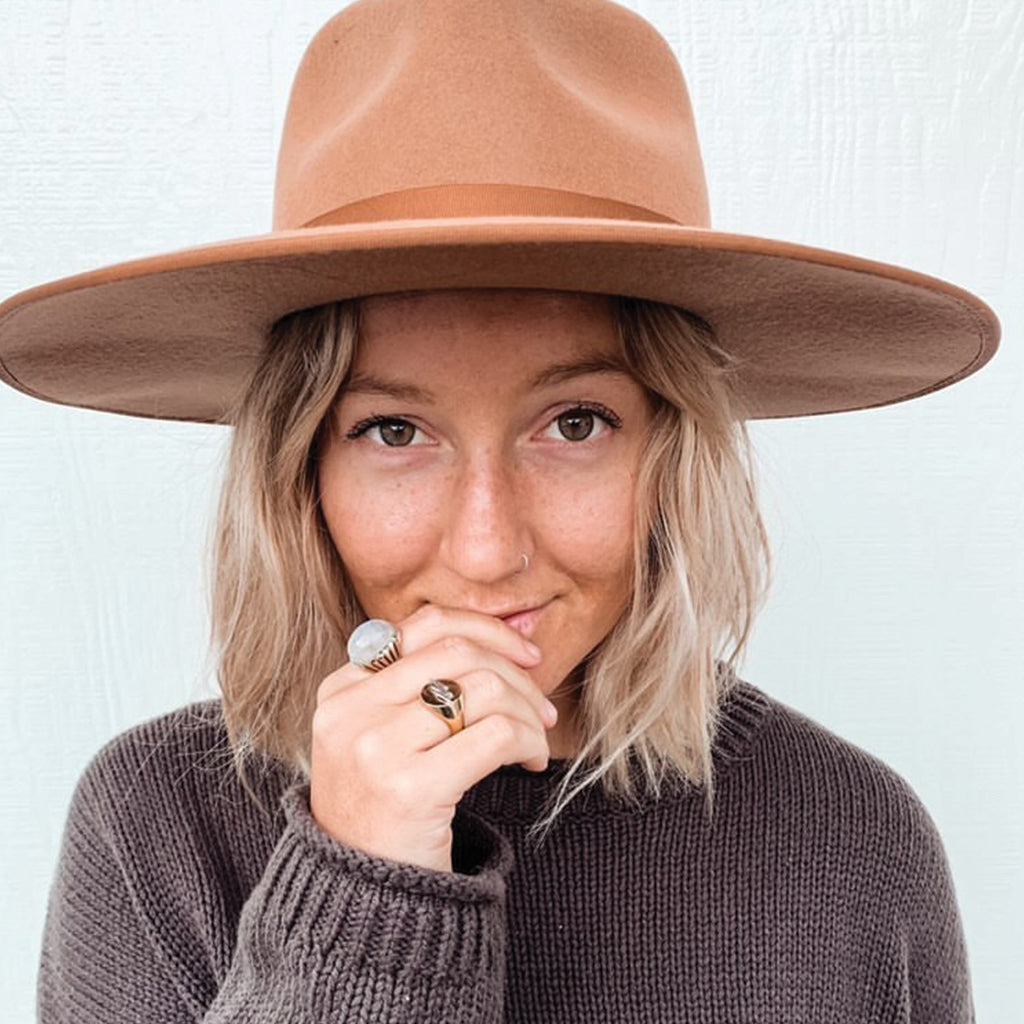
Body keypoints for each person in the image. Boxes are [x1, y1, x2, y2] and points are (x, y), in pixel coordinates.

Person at [0, 1, 998, 1021]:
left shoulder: (852, 841)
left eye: (574, 423)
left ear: (673, 450)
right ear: (299, 475)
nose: (485, 549)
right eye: (393, 432)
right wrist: (358, 880)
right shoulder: (157, 825)